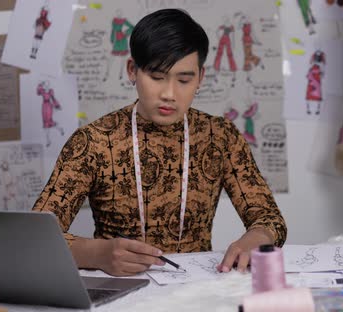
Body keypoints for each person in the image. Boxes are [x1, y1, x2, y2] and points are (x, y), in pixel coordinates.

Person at [33, 8, 286, 277]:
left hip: (196, 290)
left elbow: (270, 219)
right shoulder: (93, 141)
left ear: (200, 77)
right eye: (156, 77)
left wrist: (256, 236)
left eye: (184, 80)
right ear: (133, 71)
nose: (169, 93)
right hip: (118, 290)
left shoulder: (220, 136)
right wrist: (97, 254)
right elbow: (36, 235)